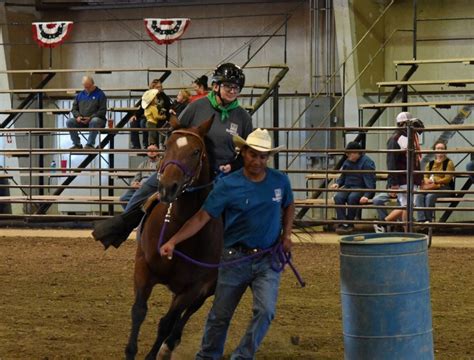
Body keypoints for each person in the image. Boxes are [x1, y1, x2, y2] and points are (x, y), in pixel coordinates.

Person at [159, 129, 294, 360]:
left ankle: (242, 356)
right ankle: (208, 355)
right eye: (253, 155)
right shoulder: (227, 185)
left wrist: (287, 235)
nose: (258, 161)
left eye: (263, 156)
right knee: (220, 315)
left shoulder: (280, 181)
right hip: (234, 258)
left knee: (266, 311)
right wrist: (173, 240)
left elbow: (289, 205)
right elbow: (202, 217)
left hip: (267, 259)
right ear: (243, 153)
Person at [93, 63, 253, 249]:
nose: (232, 91)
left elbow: (247, 152)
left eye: (236, 88)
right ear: (216, 86)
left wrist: (232, 166)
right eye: (228, 86)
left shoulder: (243, 117)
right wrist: (169, 159)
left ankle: (237, 249)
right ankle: (124, 226)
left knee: (242, 206)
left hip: (221, 173)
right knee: (147, 190)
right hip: (187, 167)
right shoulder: (197, 107)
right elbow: (175, 132)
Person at [386, 111, 424, 226]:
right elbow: (391, 162)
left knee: (408, 205)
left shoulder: (411, 136)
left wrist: (419, 177)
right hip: (403, 177)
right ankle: (385, 223)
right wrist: (393, 182)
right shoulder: (396, 139)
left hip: (411, 176)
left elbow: (416, 159)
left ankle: (390, 225)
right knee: (407, 205)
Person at [330, 141, 376, 234]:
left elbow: (370, 182)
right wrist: (338, 184)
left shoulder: (367, 163)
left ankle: (349, 223)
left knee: (352, 198)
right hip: (348, 186)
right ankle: (343, 223)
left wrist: (367, 195)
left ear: (356, 153)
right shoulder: (347, 162)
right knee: (338, 197)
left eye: (349, 153)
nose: (348, 155)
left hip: (361, 187)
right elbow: (343, 176)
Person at [415, 140, 455, 222]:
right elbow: (425, 176)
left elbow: (448, 179)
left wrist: (435, 180)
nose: (440, 150)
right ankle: (422, 220)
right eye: (438, 148)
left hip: (444, 188)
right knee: (419, 195)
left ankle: (429, 221)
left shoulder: (449, 163)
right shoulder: (430, 164)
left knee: (430, 196)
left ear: (445, 151)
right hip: (431, 187)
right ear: (434, 151)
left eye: (442, 148)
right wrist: (427, 180)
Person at [67, 75, 107, 149]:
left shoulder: (100, 94)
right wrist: (78, 116)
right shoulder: (80, 95)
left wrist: (91, 118)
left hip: (97, 121)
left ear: (93, 84)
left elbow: (102, 111)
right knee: (69, 121)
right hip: (82, 120)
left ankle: (90, 144)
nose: (87, 89)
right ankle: (77, 144)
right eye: (85, 87)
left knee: (95, 121)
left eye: (88, 87)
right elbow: (74, 109)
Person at [129, 79, 172, 149]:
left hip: (158, 118)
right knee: (133, 123)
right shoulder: (148, 95)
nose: (160, 88)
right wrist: (135, 115)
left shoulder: (163, 96)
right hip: (148, 116)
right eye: (157, 87)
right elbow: (141, 107)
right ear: (153, 88)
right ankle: (136, 146)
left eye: (160, 87)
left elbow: (168, 107)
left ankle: (148, 145)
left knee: (144, 123)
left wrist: (165, 116)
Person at [119, 144, 159, 209]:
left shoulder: (161, 163)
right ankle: (133, 215)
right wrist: (134, 183)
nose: (151, 152)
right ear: (147, 152)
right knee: (123, 199)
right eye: (149, 150)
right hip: (140, 187)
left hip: (151, 188)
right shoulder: (143, 164)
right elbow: (136, 178)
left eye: (154, 150)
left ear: (158, 152)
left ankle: (131, 216)